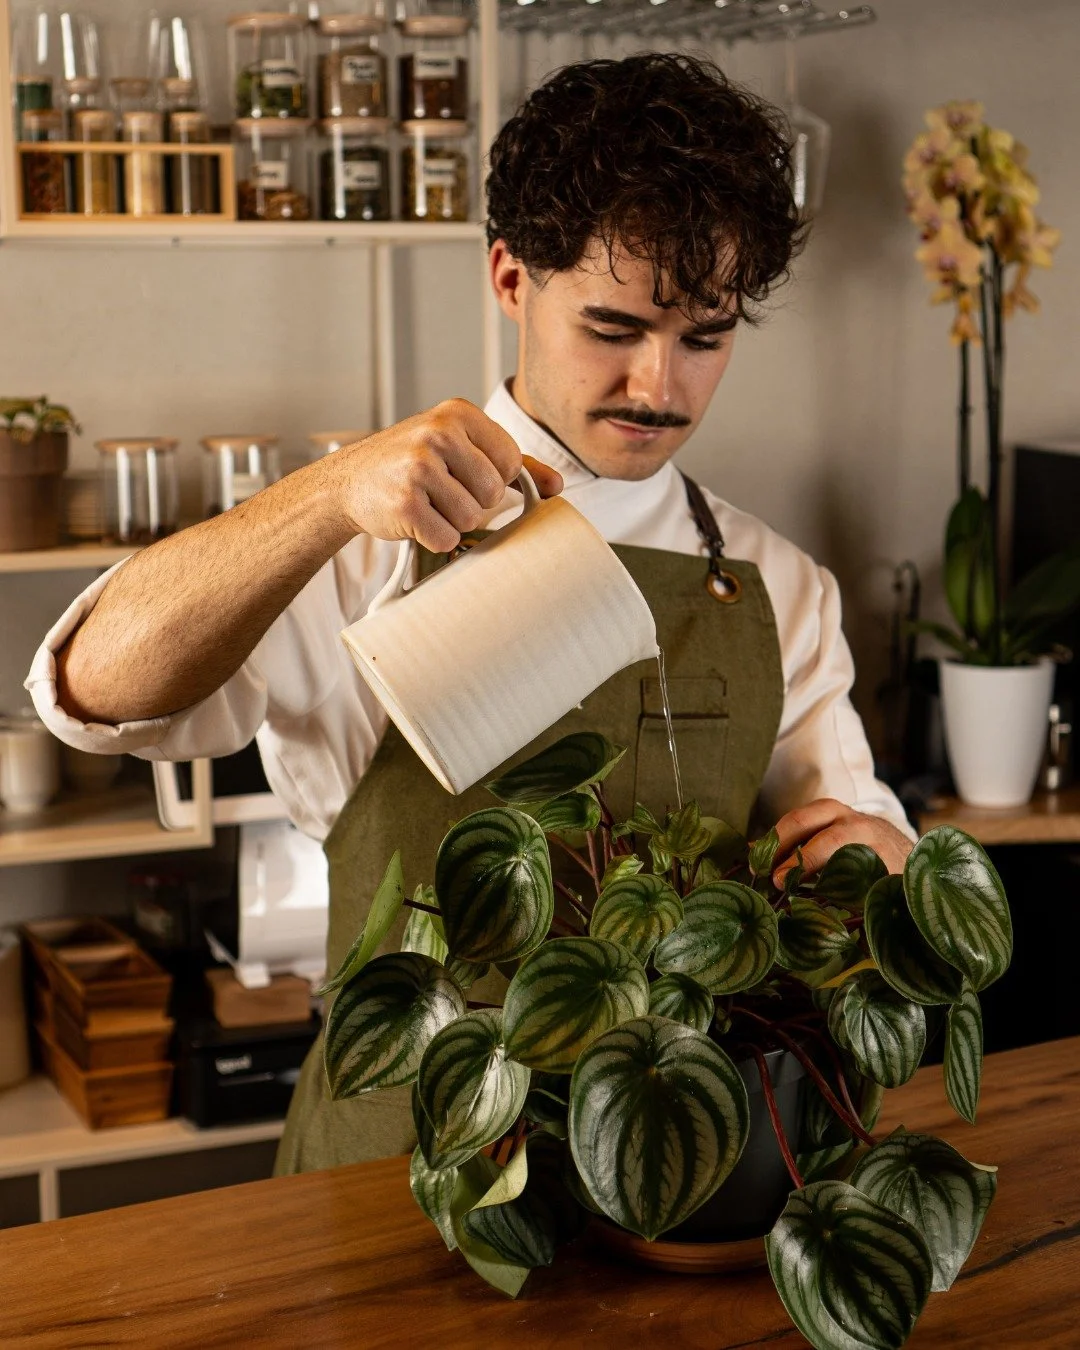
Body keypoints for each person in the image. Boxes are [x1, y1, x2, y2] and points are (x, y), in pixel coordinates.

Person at [27, 54, 914, 1173]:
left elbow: (858, 844)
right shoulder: (361, 535)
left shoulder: (777, 582)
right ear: (509, 277)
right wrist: (325, 496)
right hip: (391, 1170)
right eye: (612, 327)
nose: (659, 387)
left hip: (666, 1185)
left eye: (705, 337)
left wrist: (883, 858)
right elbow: (91, 691)